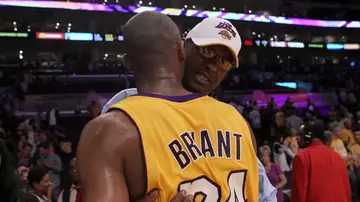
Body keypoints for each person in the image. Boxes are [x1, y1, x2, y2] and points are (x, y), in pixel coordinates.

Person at [77, 11, 259, 202]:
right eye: (206, 51)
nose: (213, 67)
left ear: (127, 63)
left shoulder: (112, 129)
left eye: (224, 62)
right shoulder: (239, 123)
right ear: (182, 48)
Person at [291, 121, 351, 202]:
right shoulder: (336, 156)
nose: (297, 138)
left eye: (300, 134)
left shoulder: (301, 157)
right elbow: (346, 189)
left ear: (308, 136)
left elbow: (299, 193)